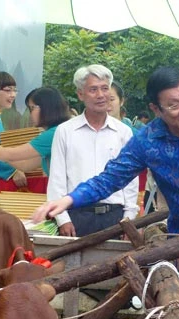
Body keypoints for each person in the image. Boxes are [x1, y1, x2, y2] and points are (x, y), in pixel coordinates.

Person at [33, 66, 179, 319]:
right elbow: (111, 178)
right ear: (156, 109)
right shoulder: (147, 141)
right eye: (175, 104)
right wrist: (68, 200)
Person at [46, 64, 139, 238]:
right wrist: (62, 219)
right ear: (80, 94)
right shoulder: (65, 131)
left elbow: (131, 182)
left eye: (105, 89)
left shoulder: (123, 132)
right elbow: (57, 178)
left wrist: (129, 218)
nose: (101, 95)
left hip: (115, 217)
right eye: (93, 89)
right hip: (77, 216)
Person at [0, 86, 71, 177]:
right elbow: (25, 165)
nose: (30, 114)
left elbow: (14, 154)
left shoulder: (54, 133)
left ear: (46, 107)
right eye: (7, 90)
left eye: (32, 108)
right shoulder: (58, 130)